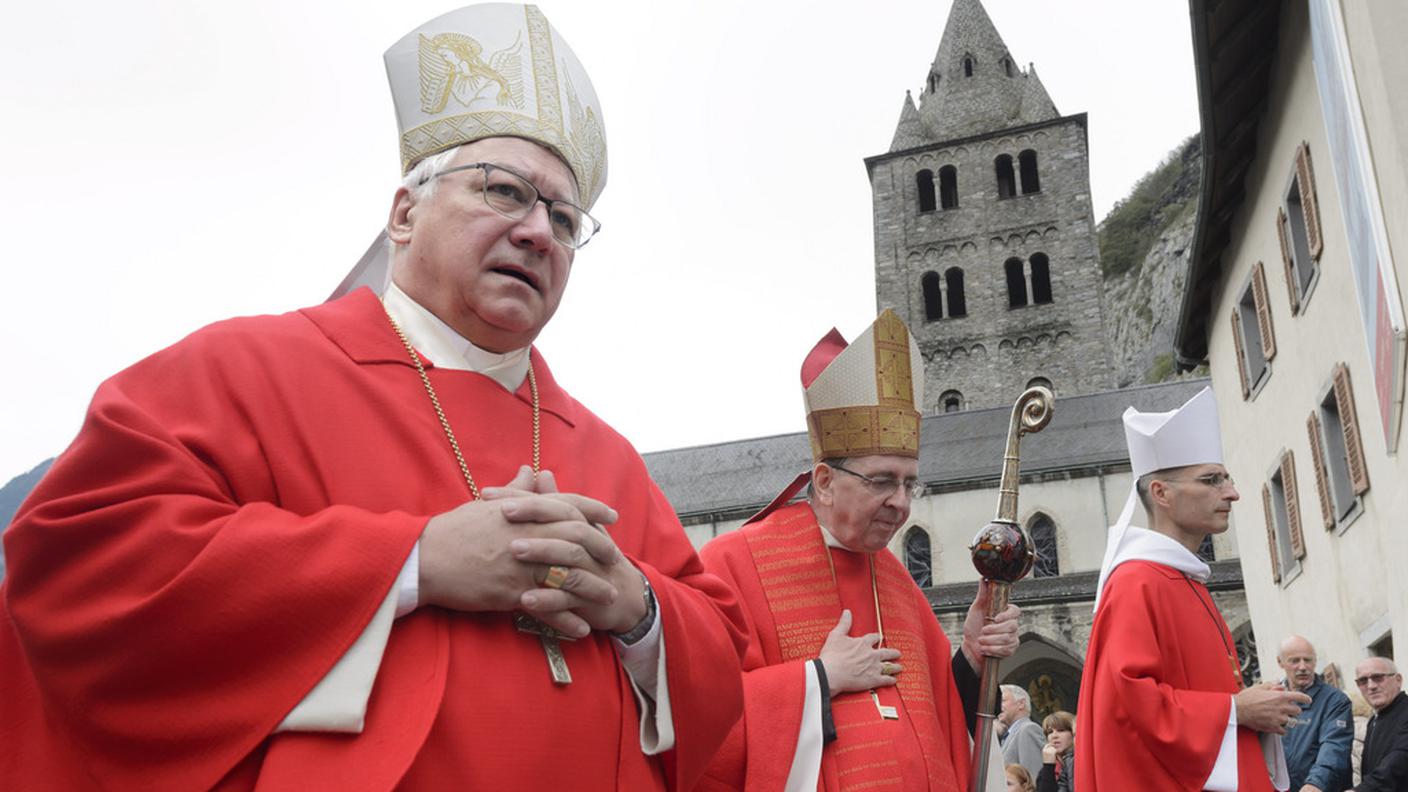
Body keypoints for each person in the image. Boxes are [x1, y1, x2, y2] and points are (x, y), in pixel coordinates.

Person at [0, 5, 748, 790]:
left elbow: (727, 661)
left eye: (565, 219)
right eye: (505, 191)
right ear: (403, 213)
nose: (537, 231)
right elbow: (82, 562)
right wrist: (416, 562)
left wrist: (636, 606)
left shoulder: (607, 454)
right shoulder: (248, 370)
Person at [696, 311, 1021, 791]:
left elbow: (940, 716)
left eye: (911, 484)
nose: (901, 503)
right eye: (883, 481)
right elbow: (695, 716)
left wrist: (972, 653)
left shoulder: (897, 581)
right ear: (825, 482)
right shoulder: (731, 565)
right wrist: (818, 679)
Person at [1075, 387, 1309, 791]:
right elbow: (1129, 707)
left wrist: (1250, 702)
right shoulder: (1137, 583)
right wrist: (1236, 709)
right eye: (1211, 480)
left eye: (1227, 479)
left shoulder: (1183, 578)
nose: (1232, 493)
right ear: (1161, 493)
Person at [1276, 635, 1352, 791]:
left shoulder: (1335, 700)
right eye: (1295, 661)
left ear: (1315, 661)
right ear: (1280, 662)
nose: (1303, 667)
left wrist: (1315, 783)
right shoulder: (1272, 699)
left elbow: (1334, 746)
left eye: (1308, 660)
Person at [1354, 657, 1407, 791]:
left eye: (1378, 677)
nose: (1371, 686)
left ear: (1398, 680)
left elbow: (1399, 759)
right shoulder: (1374, 720)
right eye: (1363, 681)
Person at [999, 683, 1046, 779]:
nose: (997, 706)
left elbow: (1032, 777)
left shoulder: (1028, 729)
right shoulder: (1009, 733)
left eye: (1002, 700)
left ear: (1021, 704)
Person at [1035, 710, 1074, 792]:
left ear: (1073, 733)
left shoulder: (1079, 762)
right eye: (1050, 732)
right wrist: (1048, 765)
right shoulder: (1046, 769)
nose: (1054, 736)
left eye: (1061, 730)